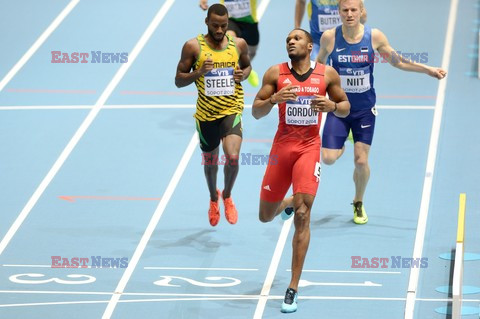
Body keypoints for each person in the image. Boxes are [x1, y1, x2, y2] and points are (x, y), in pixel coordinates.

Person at [316, 0, 446, 224]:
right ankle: (343, 142)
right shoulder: (330, 37)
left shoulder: (373, 36)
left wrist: (428, 70)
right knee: (327, 159)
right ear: (338, 12)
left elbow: (398, 62)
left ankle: (358, 202)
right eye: (345, 10)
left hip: (364, 111)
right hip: (338, 108)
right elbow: (318, 68)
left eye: (353, 10)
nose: (349, 14)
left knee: (361, 161)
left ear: (361, 11)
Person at [252, 28, 350, 313]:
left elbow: (345, 107)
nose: (291, 42)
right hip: (281, 149)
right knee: (264, 216)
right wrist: (273, 100)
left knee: (304, 213)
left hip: (309, 149)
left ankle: (292, 287)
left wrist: (332, 106)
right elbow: (256, 111)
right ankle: (286, 204)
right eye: (287, 40)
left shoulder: (327, 75)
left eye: (296, 39)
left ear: (309, 45)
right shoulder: (275, 73)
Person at [175, 4, 252, 226]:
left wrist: (242, 75)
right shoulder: (193, 47)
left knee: (233, 158)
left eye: (224, 26)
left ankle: (227, 196)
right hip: (206, 116)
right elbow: (178, 80)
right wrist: (199, 73)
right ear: (206, 22)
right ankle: (212, 198)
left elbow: (247, 68)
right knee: (210, 165)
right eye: (215, 25)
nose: (219, 30)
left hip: (231, 110)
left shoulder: (238, 44)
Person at [199, 0, 260, 86]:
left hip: (250, 23)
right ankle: (224, 74)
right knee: (230, 43)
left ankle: (247, 68)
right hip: (230, 20)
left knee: (251, 52)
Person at [294, 0, 367, 59]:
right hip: (317, 41)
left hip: (343, 42)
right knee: (313, 72)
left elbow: (363, 17)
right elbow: (301, 2)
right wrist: (297, 28)